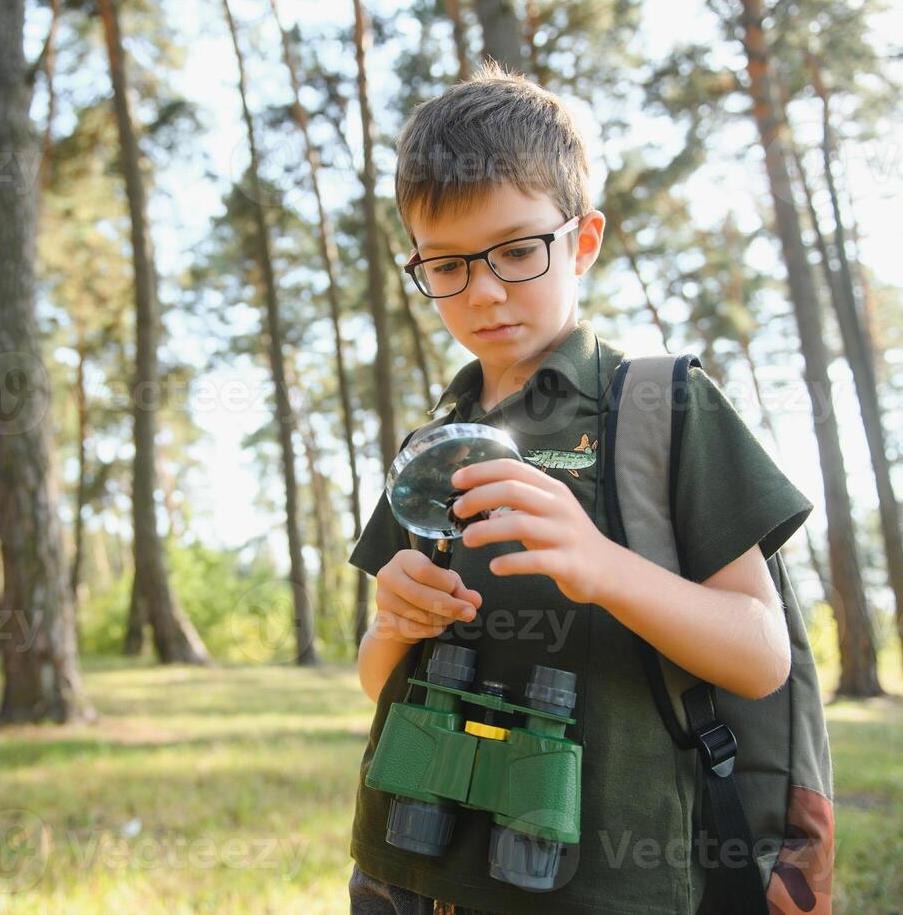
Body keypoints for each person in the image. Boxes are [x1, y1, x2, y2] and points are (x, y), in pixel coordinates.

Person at [346, 61, 814, 914]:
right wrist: (391, 621)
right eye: (445, 264)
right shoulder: (430, 446)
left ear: (583, 240)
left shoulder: (660, 406)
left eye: (518, 251)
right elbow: (380, 679)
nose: (483, 290)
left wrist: (601, 566)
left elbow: (758, 655)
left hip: (600, 882)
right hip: (405, 869)